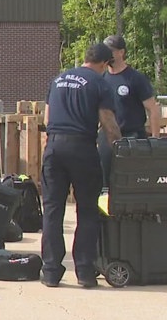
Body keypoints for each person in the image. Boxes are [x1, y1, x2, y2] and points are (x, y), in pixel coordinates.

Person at [41, 43, 122, 289]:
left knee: (53, 210)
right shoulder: (99, 84)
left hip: (54, 148)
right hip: (81, 148)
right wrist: (120, 150)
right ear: (104, 64)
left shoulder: (57, 80)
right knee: (86, 210)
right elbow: (108, 123)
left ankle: (52, 272)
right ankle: (85, 272)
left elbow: (46, 119)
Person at [99, 34, 160, 188]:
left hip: (131, 135)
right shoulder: (101, 79)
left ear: (121, 52)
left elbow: (153, 108)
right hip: (106, 136)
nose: (108, 54)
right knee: (104, 178)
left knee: (132, 180)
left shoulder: (135, 78)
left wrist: (155, 139)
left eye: (111, 50)